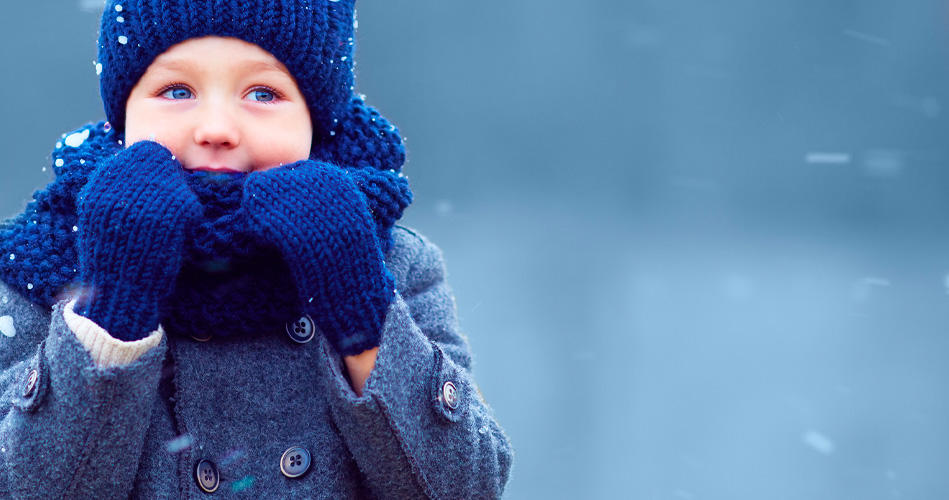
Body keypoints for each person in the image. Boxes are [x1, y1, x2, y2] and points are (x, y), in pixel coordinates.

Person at [0, 0, 512, 498]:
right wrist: (114, 303)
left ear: (315, 117)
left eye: (263, 93)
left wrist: (357, 305)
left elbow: (468, 485)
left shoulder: (390, 261)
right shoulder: (45, 267)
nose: (217, 129)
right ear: (122, 111)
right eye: (176, 90)